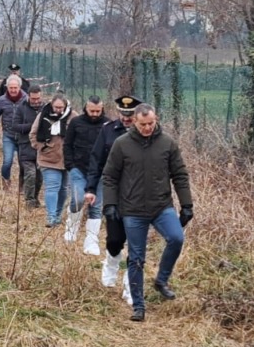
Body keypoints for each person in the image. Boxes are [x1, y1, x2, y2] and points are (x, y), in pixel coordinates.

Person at [102, 103, 194, 322]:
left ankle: (161, 280)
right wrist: (110, 204)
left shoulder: (167, 143)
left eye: (151, 123)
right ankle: (138, 305)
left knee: (176, 238)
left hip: (161, 206)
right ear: (134, 121)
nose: (147, 128)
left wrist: (187, 204)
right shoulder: (122, 144)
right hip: (132, 210)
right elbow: (110, 177)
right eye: (143, 124)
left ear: (156, 119)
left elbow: (179, 175)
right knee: (136, 258)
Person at [84, 95, 141, 301]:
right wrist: (91, 188)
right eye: (123, 114)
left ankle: (130, 287)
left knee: (136, 242)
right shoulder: (108, 130)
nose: (126, 118)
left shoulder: (144, 132)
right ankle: (111, 262)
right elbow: (96, 160)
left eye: (130, 114)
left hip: (138, 195)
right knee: (115, 238)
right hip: (113, 192)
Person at [65, 96, 109, 255]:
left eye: (98, 111)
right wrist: (69, 165)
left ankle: (91, 241)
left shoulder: (108, 125)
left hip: (100, 172)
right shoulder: (76, 123)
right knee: (77, 199)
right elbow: (67, 144)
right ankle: (71, 227)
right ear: (86, 108)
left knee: (95, 206)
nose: (95, 114)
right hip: (78, 168)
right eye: (92, 111)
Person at [30, 93, 73, 228]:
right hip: (48, 159)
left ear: (66, 106)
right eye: (56, 107)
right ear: (51, 105)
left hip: (67, 159)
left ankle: (58, 215)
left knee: (63, 189)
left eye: (61, 107)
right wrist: (42, 147)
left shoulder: (73, 116)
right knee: (52, 187)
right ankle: (51, 216)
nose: (58, 110)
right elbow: (33, 134)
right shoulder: (43, 115)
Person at [9, 84, 45, 209]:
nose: (36, 101)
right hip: (25, 145)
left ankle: (35, 198)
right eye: (33, 99)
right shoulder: (21, 108)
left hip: (41, 147)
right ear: (28, 97)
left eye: (38, 98)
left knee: (39, 176)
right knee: (30, 173)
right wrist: (32, 126)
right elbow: (14, 126)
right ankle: (29, 201)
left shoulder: (46, 109)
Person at [0, 75, 25, 193]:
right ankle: (6, 185)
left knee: (23, 163)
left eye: (15, 88)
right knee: (7, 161)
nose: (13, 90)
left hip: (23, 136)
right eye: (11, 88)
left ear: (20, 87)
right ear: (7, 87)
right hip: (8, 135)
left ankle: (22, 187)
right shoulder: (2, 100)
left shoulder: (26, 99)